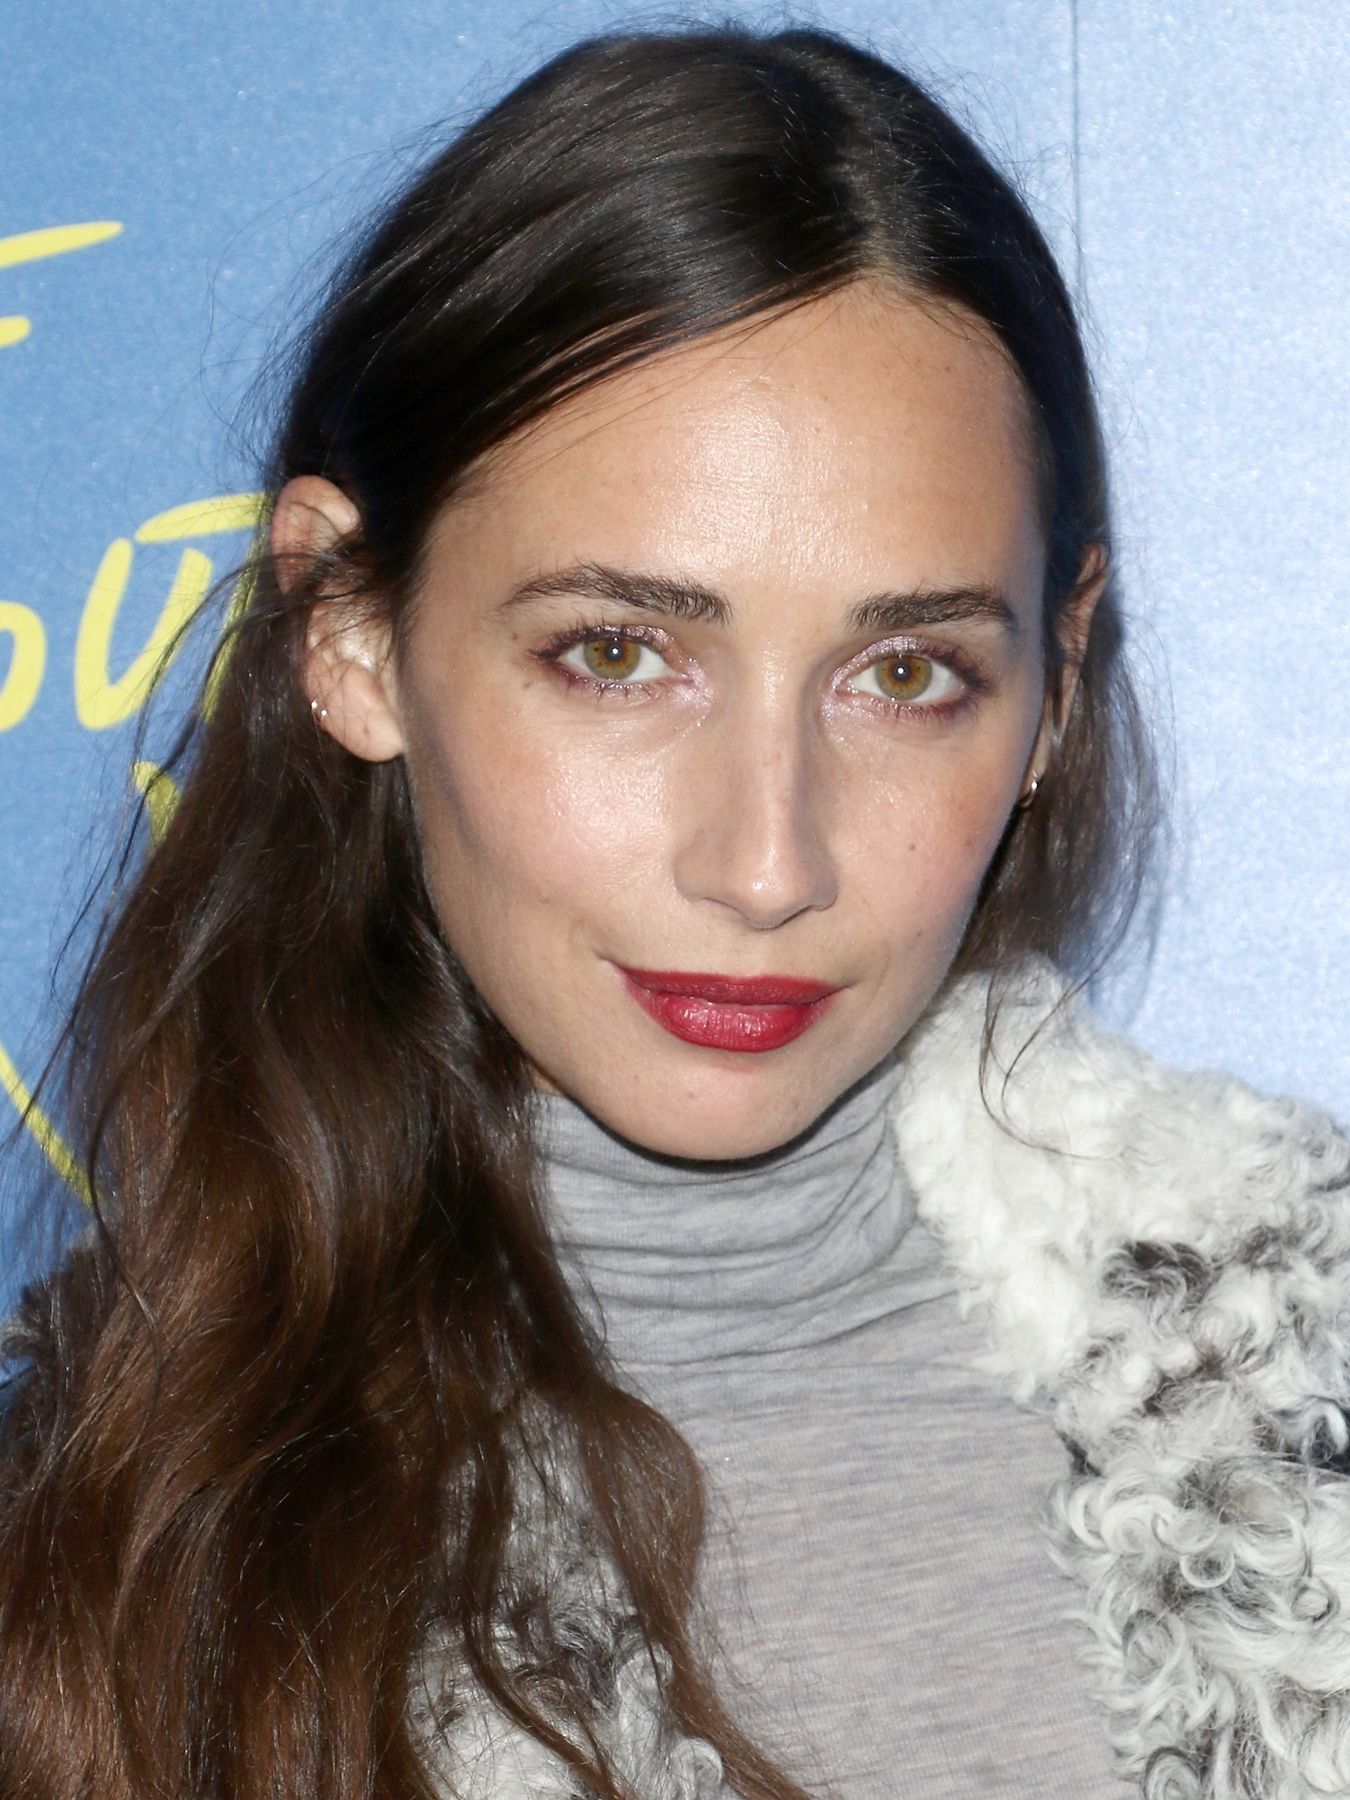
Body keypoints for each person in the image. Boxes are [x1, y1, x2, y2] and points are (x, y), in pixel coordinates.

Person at [1, 21, 1347, 1800]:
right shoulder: (99, 1548)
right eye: (618, 655)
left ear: (1055, 683)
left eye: (904, 673)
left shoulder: (1313, 1368)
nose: (766, 861)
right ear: (348, 631)